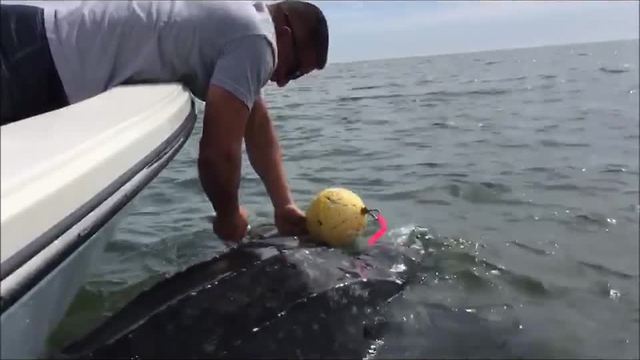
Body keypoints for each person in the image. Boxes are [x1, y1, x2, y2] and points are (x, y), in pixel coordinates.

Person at [0, 1, 329, 241]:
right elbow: (218, 154)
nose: (284, 81)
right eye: (295, 69)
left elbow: (257, 125)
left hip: (27, 34)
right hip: (26, 63)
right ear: (284, 34)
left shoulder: (242, 18)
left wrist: (283, 205)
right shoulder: (258, 41)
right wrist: (229, 218)